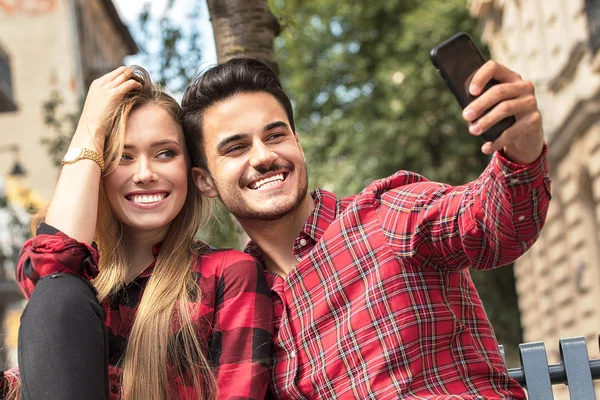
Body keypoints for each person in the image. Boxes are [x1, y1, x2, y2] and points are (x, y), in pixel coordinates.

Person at [180, 57, 550, 399]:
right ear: (205, 181)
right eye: (236, 148)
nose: (263, 156)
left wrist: (521, 149)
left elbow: (492, 224)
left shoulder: (387, 214)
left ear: (299, 144)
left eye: (275, 135)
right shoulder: (242, 301)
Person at [1, 66, 273, 400]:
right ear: (97, 170)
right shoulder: (79, 292)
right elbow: (48, 272)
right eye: (123, 156)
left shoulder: (226, 275)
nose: (145, 173)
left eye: (165, 153)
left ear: (190, 171)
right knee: (59, 295)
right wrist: (89, 132)